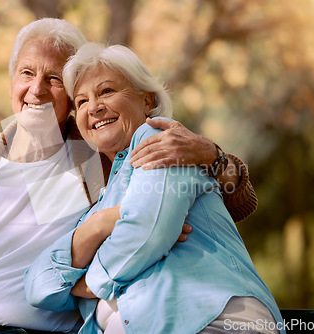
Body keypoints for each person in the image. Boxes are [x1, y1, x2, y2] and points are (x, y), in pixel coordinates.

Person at [0, 19, 257, 334]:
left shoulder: (106, 154)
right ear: (12, 81)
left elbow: (238, 200)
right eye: (27, 73)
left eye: (54, 79)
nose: (36, 90)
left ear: (71, 96)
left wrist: (213, 155)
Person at [24, 42, 284, 334]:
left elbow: (148, 230)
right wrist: (100, 224)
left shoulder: (163, 141)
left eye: (106, 91)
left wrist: (86, 283)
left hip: (212, 321)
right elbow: (37, 286)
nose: (94, 107)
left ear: (147, 101)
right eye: (82, 102)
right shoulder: (101, 200)